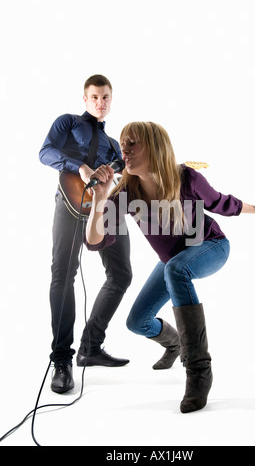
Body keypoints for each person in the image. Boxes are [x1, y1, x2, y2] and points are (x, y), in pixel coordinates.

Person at [84, 121, 255, 413]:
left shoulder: (186, 178)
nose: (123, 150)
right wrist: (100, 199)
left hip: (211, 246)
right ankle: (175, 342)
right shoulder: (125, 193)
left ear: (153, 147)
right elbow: (94, 241)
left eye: (131, 143)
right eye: (122, 144)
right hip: (172, 261)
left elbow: (222, 203)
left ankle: (199, 371)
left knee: (176, 269)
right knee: (137, 322)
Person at [39, 75, 132, 394]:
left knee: (121, 274)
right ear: (85, 99)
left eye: (106, 97)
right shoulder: (67, 123)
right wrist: (79, 167)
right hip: (71, 199)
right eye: (94, 97)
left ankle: (91, 347)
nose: (100, 103)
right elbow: (45, 152)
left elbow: (128, 172)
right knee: (63, 274)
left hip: (108, 205)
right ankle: (61, 360)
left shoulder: (115, 146)